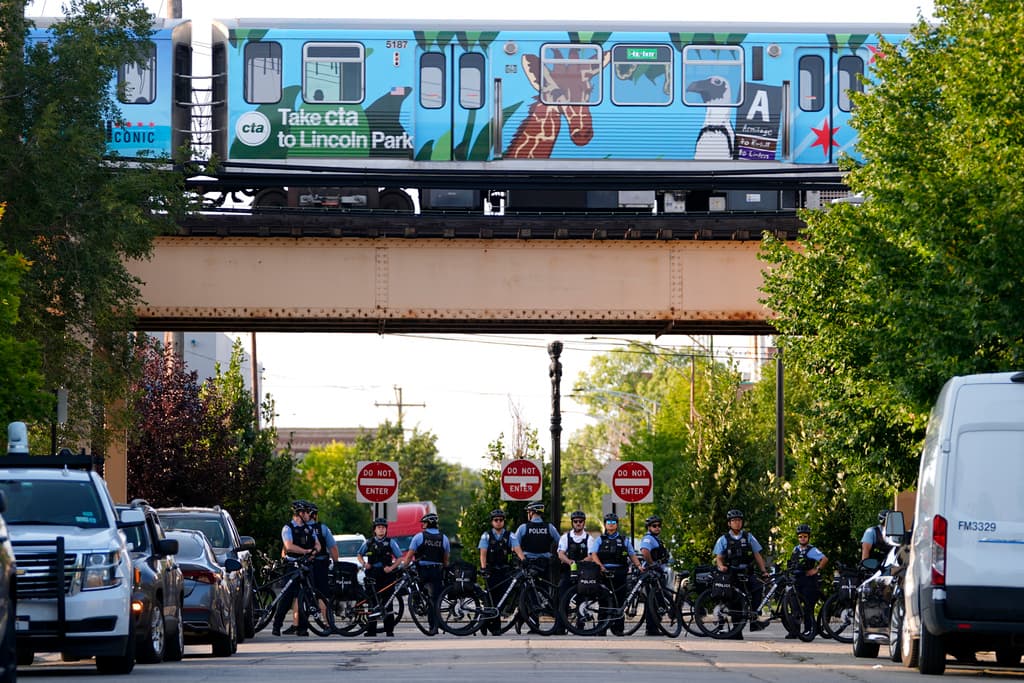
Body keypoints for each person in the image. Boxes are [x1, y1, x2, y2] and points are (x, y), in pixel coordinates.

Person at [713, 509, 769, 638]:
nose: (737, 523)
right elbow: (719, 557)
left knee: (757, 589)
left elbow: (757, 555)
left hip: (747, 572)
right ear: (729, 523)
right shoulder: (723, 539)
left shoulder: (749, 537)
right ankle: (736, 631)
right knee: (735, 600)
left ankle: (754, 620)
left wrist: (763, 571)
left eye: (739, 521)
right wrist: (721, 566)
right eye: (734, 521)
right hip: (732, 573)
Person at [588, 512, 644, 636]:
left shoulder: (624, 540)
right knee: (604, 601)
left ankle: (618, 629)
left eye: (613, 523)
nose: (611, 525)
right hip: (604, 573)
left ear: (617, 525)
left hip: (620, 573)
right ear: (605, 525)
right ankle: (601, 628)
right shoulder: (600, 539)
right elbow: (593, 554)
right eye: (609, 523)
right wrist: (600, 566)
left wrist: (639, 566)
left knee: (620, 601)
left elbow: (632, 554)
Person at [272, 500, 321, 637]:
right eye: (306, 512)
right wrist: (306, 552)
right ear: (300, 513)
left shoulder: (309, 528)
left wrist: (314, 552)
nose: (309, 515)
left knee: (305, 596)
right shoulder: (288, 528)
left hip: (306, 566)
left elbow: (317, 545)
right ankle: (277, 626)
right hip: (292, 565)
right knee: (287, 597)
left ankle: (303, 628)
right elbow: (289, 546)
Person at [402, 512, 450, 630]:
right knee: (435, 599)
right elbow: (446, 559)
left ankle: (418, 605)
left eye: (424, 522)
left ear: (428, 523)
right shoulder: (444, 538)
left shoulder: (419, 537)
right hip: (437, 571)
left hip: (422, 571)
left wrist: (404, 567)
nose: (422, 525)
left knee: (420, 593)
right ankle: (435, 625)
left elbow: (409, 556)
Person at [357, 517, 403, 637]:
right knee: (372, 602)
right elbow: (359, 554)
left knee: (388, 602)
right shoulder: (368, 542)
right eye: (379, 528)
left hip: (386, 575)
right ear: (375, 530)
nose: (381, 530)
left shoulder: (391, 542)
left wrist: (392, 568)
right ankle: (371, 630)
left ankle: (389, 630)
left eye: (383, 528)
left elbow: (399, 558)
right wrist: (364, 564)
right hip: (372, 574)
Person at [478, 509, 514, 636]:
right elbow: (483, 553)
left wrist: (523, 559)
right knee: (490, 599)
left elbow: (517, 548)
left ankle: (491, 624)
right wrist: (483, 568)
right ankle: (487, 623)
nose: (498, 522)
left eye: (501, 520)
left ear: (504, 521)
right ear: (492, 522)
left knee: (502, 599)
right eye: (496, 520)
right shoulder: (486, 535)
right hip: (491, 570)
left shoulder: (510, 535)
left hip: (504, 571)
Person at [789, 523, 827, 638]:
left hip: (809, 581)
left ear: (808, 537)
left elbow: (824, 559)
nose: (802, 538)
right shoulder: (795, 549)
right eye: (800, 536)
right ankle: (795, 631)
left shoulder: (812, 550)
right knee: (794, 606)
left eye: (805, 536)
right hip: (797, 580)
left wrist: (816, 569)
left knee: (808, 607)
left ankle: (808, 630)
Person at [555, 510, 590, 635]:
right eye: (576, 521)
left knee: (582, 598)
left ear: (584, 523)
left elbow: (591, 555)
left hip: (583, 573)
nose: (578, 524)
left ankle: (580, 625)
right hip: (567, 572)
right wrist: (570, 562)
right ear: (572, 523)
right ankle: (560, 627)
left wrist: (580, 563)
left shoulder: (589, 538)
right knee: (562, 597)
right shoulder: (565, 537)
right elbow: (560, 554)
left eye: (580, 521)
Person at [639, 515, 670, 636]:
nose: (657, 528)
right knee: (654, 601)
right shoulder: (648, 539)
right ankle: (651, 628)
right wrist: (652, 564)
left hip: (658, 573)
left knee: (657, 601)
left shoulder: (656, 539)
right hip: (651, 574)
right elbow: (645, 551)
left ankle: (653, 627)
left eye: (659, 526)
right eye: (654, 526)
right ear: (648, 527)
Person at [512, 501, 560, 574]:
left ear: (531, 513)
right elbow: (561, 543)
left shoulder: (523, 527)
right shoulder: (550, 527)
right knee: (544, 584)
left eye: (528, 512)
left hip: (527, 563)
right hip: (545, 565)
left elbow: (514, 547)